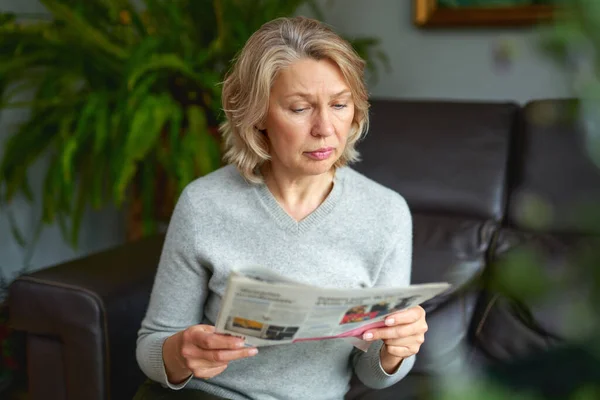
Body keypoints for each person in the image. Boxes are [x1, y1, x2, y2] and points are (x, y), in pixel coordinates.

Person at [134, 16, 428, 400]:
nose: (325, 128)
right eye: (299, 108)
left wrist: (395, 351)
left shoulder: (386, 213)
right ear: (257, 117)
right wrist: (180, 353)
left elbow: (372, 374)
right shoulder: (204, 203)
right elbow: (151, 347)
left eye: (339, 104)